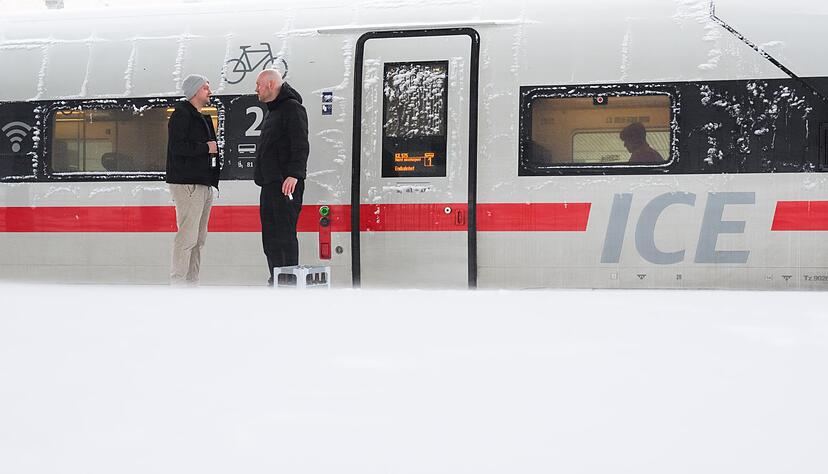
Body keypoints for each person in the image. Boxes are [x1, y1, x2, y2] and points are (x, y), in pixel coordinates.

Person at [254, 69, 309, 285]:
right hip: (269, 183)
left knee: (284, 234)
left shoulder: (292, 109)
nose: (255, 88)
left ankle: (289, 280)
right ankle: (277, 277)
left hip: (285, 184)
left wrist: (294, 174)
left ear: (270, 84)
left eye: (258, 84)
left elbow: (300, 144)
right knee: (270, 237)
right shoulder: (273, 111)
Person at [165, 74, 220, 285]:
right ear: (195, 91)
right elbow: (177, 148)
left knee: (198, 238)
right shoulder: (181, 115)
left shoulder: (200, 117)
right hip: (187, 183)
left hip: (203, 183)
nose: (210, 92)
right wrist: (206, 148)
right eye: (206, 88)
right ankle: (179, 283)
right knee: (187, 237)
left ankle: (192, 282)